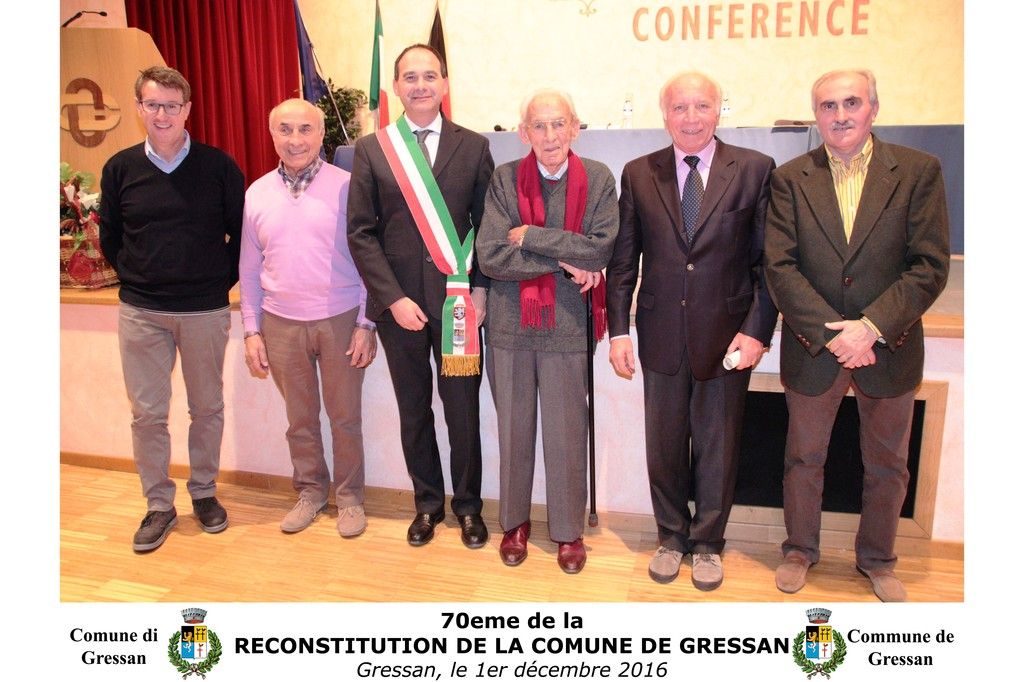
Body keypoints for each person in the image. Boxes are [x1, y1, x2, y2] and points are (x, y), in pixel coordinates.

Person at [765, 69, 949, 602]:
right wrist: (834, 335)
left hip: (888, 347)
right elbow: (780, 267)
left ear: (873, 108)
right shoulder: (790, 178)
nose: (840, 115)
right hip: (814, 348)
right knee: (803, 459)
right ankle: (799, 550)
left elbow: (929, 266)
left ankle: (878, 559)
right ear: (815, 114)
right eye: (828, 106)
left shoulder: (917, 171)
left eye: (851, 102)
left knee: (888, 465)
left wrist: (870, 328)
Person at [606, 72, 777, 590]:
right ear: (665, 115)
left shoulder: (755, 169)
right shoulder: (639, 173)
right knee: (663, 446)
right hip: (659, 334)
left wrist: (757, 331)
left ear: (718, 110)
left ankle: (707, 543)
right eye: (679, 108)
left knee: (718, 447)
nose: (691, 117)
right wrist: (618, 331)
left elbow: (768, 264)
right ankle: (671, 537)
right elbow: (623, 262)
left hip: (728, 338)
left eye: (701, 106)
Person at [347, 44, 494, 549]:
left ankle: (468, 507)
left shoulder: (473, 147)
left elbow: (488, 226)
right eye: (410, 77)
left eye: (430, 76)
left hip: (458, 307)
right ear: (396, 87)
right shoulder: (373, 149)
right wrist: (391, 298)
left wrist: (480, 291)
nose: (421, 85)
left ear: (444, 84)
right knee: (414, 411)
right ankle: (427, 504)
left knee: (463, 412)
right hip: (400, 310)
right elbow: (361, 232)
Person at [99, 66, 244, 552]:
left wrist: (214, 284)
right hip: (141, 312)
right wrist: (138, 277)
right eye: (152, 104)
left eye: (171, 105)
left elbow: (240, 235)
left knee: (207, 408)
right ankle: (159, 504)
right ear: (139, 108)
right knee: (147, 415)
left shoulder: (219, 167)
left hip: (204, 310)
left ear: (187, 110)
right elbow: (110, 237)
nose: (162, 114)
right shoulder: (120, 169)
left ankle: (203, 492)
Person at [477, 89, 618, 574]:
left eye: (559, 124)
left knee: (566, 434)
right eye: (539, 125)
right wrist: (564, 258)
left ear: (575, 127)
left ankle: (568, 530)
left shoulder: (598, 178)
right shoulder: (503, 179)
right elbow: (491, 256)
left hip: (568, 328)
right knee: (513, 432)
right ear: (524, 133)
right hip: (508, 328)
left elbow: (599, 250)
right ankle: (514, 523)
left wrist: (533, 237)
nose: (550, 135)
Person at [239, 98, 376, 538]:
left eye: (304, 129)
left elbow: (369, 259)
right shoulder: (256, 193)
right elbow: (249, 269)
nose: (295, 139)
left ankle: (350, 498)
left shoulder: (349, 186)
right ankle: (311, 492)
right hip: (280, 324)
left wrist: (366, 322)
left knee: (345, 418)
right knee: (299, 420)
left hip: (340, 320)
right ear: (272, 135)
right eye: (285, 130)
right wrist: (251, 330)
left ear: (321, 135)